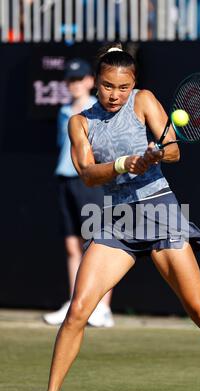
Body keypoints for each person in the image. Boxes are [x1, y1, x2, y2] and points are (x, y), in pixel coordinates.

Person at [29, 43, 200, 391]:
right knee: (78, 310)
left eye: (122, 87)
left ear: (133, 83)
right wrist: (126, 162)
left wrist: (155, 155)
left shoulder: (146, 102)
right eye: (107, 86)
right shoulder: (80, 121)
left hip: (160, 210)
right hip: (116, 218)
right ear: (96, 83)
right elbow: (87, 173)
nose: (114, 94)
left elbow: (174, 152)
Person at [43, 58, 114, 328]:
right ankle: (75, 303)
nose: (74, 84)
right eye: (70, 80)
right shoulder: (64, 112)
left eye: (78, 79)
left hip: (90, 182)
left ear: (89, 81)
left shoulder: (96, 111)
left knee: (99, 244)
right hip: (65, 181)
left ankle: (103, 308)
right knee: (72, 246)